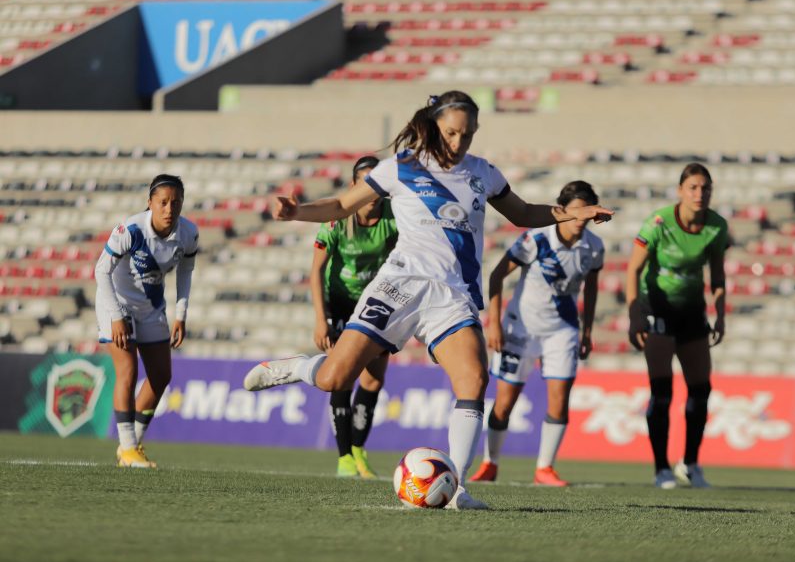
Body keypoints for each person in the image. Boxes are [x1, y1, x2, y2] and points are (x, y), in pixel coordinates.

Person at [243, 90, 613, 509]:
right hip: (399, 284)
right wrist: (296, 211)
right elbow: (342, 205)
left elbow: (524, 213)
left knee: (474, 380)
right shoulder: (400, 168)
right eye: (452, 133)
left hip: (451, 295)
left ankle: (455, 490)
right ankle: (295, 368)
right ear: (435, 126)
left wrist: (572, 214)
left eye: (468, 135)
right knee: (334, 379)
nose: (459, 143)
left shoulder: (483, 173)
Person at [470, 180, 604, 487]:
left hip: (562, 331)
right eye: (576, 212)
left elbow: (592, 287)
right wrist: (495, 322)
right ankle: (490, 463)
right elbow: (497, 274)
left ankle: (545, 468)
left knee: (559, 400)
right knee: (504, 402)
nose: (581, 219)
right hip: (522, 328)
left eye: (587, 212)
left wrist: (587, 330)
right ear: (562, 211)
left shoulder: (594, 247)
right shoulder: (537, 239)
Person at [625, 162, 728, 489]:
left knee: (701, 390)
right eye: (693, 188)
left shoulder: (716, 226)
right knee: (663, 392)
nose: (700, 194)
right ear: (680, 191)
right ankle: (661, 469)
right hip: (657, 311)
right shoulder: (658, 222)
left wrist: (721, 314)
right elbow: (633, 270)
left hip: (693, 314)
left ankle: (691, 463)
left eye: (705, 188)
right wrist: (635, 315)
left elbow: (718, 275)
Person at [94, 174, 198, 468]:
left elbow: (186, 272)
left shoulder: (189, 233)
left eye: (175, 202)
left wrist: (182, 314)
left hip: (151, 306)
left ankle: (132, 445)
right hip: (117, 302)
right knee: (127, 370)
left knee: (161, 376)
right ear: (150, 203)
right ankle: (127, 448)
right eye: (162, 202)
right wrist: (115, 317)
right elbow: (101, 271)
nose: (169, 209)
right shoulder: (131, 229)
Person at [310, 156, 398, 478]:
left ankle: (359, 450)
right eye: (366, 185)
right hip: (342, 304)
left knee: (374, 379)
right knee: (343, 377)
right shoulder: (336, 222)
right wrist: (322, 320)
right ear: (353, 187)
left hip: (375, 305)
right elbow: (316, 270)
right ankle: (344, 457)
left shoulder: (394, 217)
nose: (373, 193)